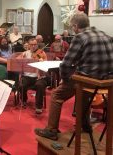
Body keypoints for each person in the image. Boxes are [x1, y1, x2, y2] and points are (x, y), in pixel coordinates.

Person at [35, 12, 113, 140]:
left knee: (56, 95)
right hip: (107, 82)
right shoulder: (105, 35)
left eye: (72, 27)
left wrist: (65, 80)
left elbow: (65, 65)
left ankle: (51, 130)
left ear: (76, 26)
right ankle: (85, 125)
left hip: (88, 80)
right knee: (83, 94)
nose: (72, 29)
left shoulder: (80, 37)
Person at [17, 38, 50, 114]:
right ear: (28, 45)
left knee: (40, 85)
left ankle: (38, 106)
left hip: (39, 77)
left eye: (35, 44)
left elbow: (46, 67)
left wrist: (42, 62)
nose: (33, 46)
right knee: (21, 85)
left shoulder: (42, 53)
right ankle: (24, 100)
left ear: (37, 45)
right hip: (27, 76)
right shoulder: (25, 53)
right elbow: (17, 61)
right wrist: (22, 60)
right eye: (31, 45)